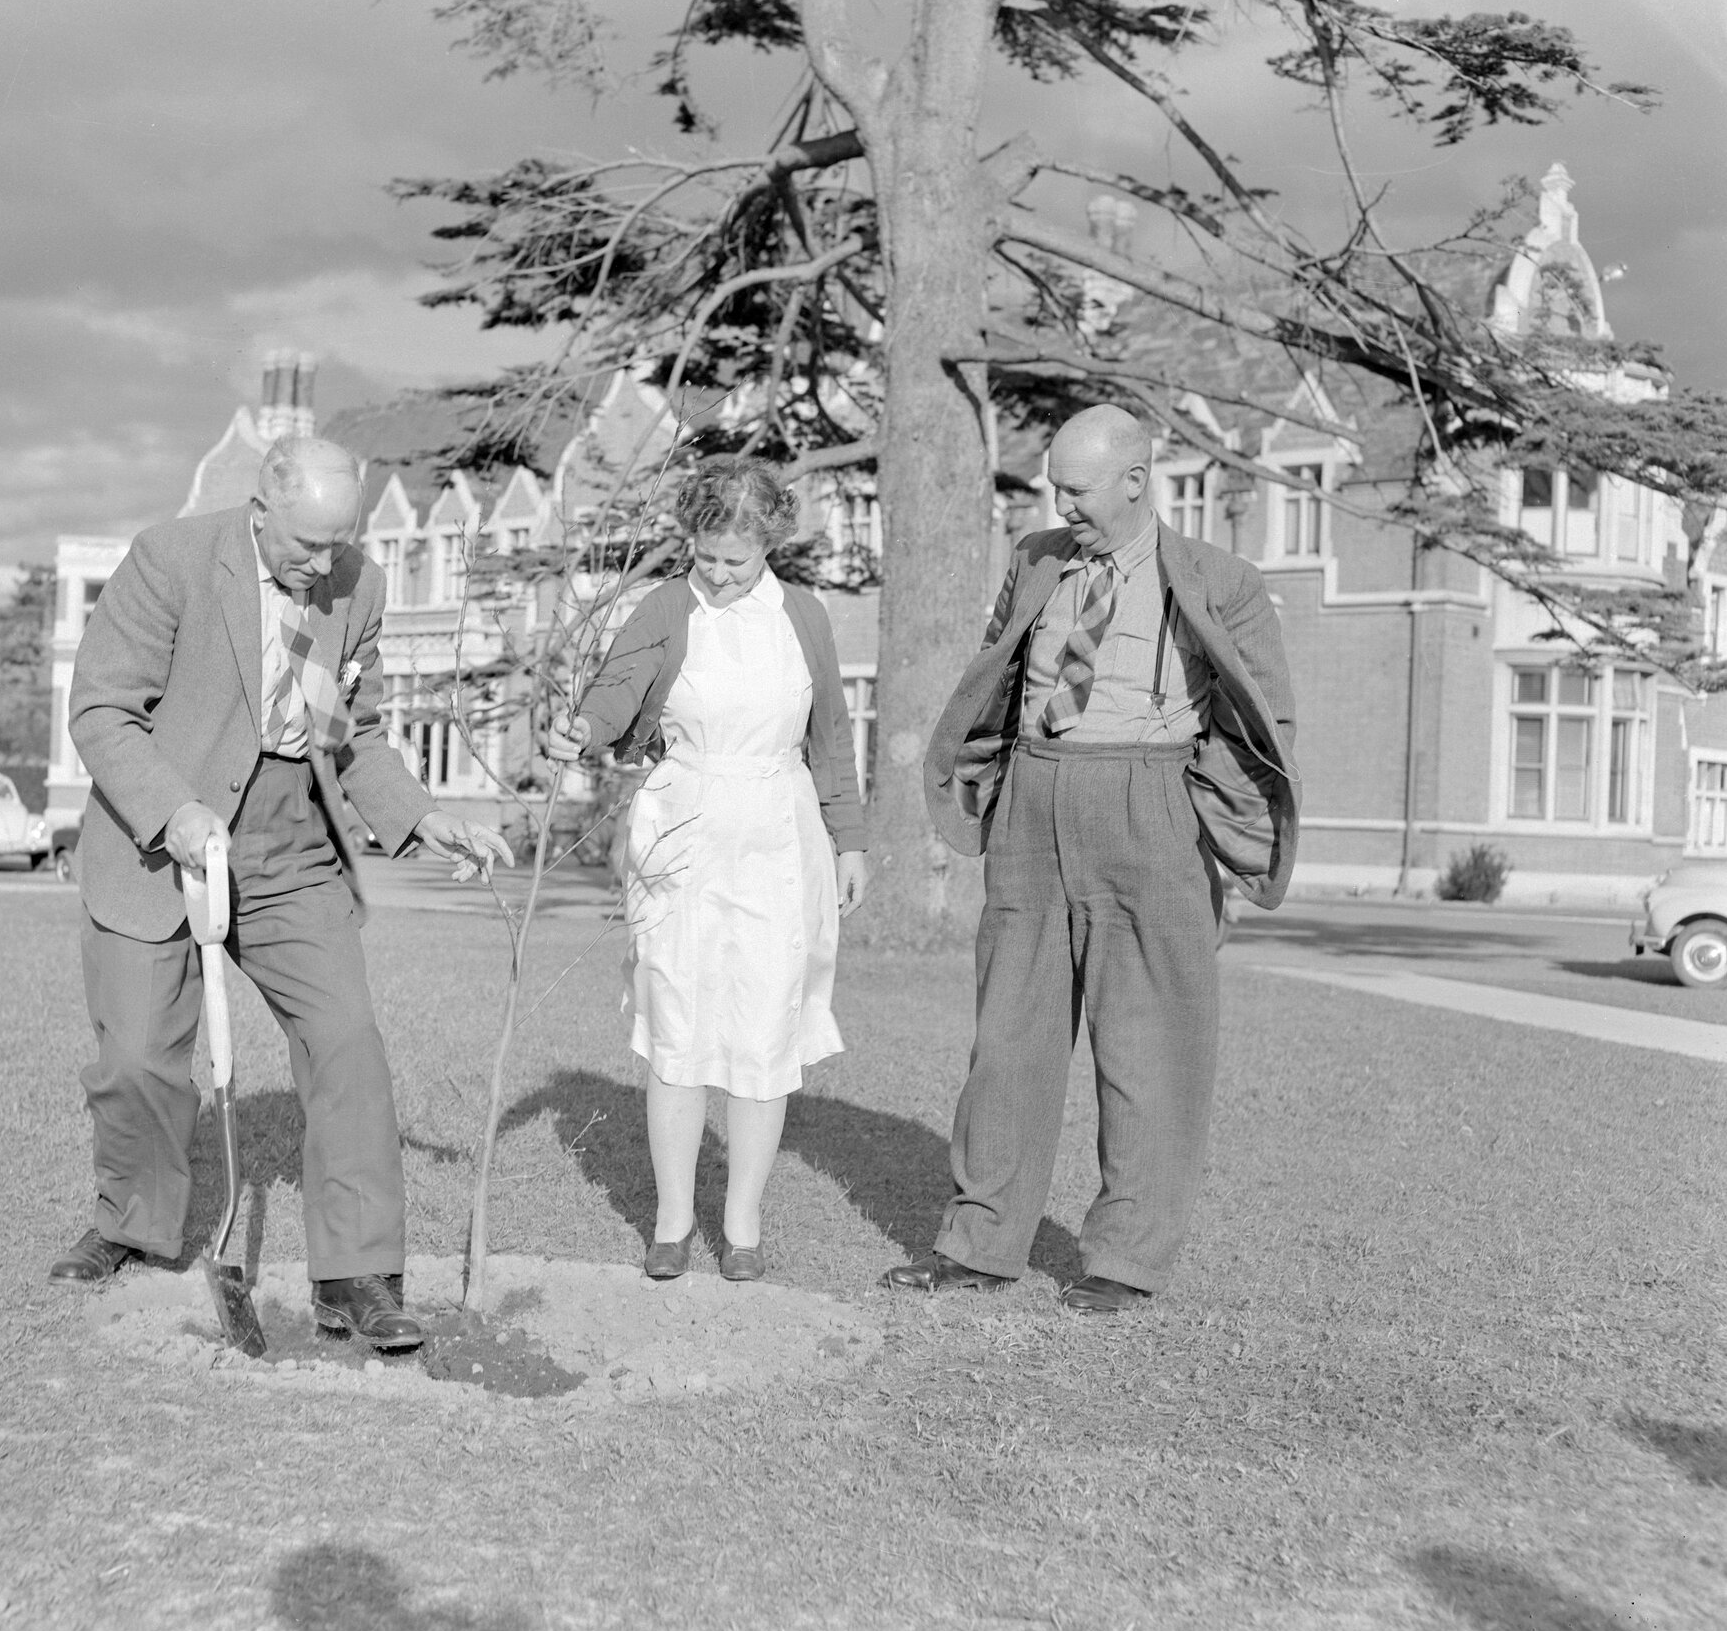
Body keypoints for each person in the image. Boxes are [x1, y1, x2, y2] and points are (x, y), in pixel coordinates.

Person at [49, 435, 512, 1350]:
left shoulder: (355, 586)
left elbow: (353, 733)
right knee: (140, 1052)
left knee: (346, 1040)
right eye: (305, 546)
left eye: (338, 544)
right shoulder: (171, 560)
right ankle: (130, 1226)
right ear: (260, 512)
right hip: (164, 831)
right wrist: (174, 813)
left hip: (288, 837)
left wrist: (424, 819)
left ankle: (357, 1275)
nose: (322, 564)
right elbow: (102, 708)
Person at [883, 405, 1298, 1314]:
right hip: (1035, 807)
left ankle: (1125, 1261)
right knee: (1007, 1043)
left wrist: (1188, 801)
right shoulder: (1036, 561)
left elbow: (1266, 719)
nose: (1059, 503)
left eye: (1075, 489)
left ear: (1135, 481)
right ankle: (980, 1244)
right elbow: (996, 675)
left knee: (1148, 1051)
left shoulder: (1221, 580)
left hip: (1150, 812)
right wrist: (994, 782)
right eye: (1054, 486)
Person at [547, 460, 868, 1282]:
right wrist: (582, 729)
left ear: (771, 544)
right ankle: (672, 1218)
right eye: (708, 555)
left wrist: (851, 840)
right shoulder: (665, 607)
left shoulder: (804, 615)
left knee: (764, 1022)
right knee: (679, 1024)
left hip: (776, 829)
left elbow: (830, 732)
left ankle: (745, 1223)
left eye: (740, 559)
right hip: (681, 824)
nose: (721, 574)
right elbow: (618, 691)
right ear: (688, 538)